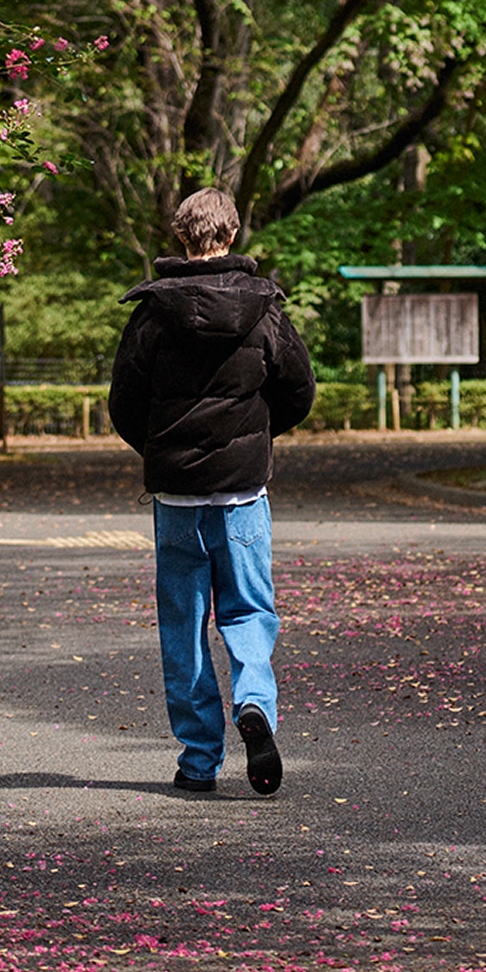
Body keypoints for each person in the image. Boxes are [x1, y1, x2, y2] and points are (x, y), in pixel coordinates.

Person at [108, 188, 315, 797]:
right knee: (249, 610)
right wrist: (250, 439)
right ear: (232, 232)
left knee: (184, 624)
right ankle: (253, 703)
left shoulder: (151, 315)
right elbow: (299, 390)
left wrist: (163, 451)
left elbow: (123, 403)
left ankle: (199, 762)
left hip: (176, 500)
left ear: (182, 237)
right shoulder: (265, 311)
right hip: (243, 494)